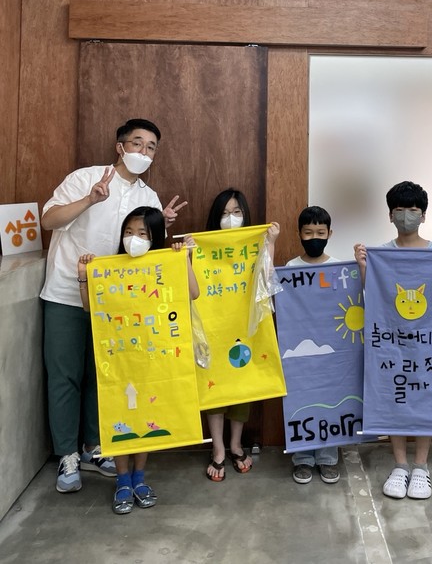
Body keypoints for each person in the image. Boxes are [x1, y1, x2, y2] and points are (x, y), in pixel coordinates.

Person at [41, 118, 187, 494]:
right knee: (64, 376)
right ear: (120, 146)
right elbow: (48, 219)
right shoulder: (84, 178)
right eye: (137, 143)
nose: (144, 152)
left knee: (104, 376)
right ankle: (67, 455)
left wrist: (163, 225)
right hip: (66, 293)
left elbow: (147, 253)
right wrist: (90, 199)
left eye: (151, 147)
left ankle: (94, 446)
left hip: (119, 306)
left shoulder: (149, 197)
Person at [77, 207, 199, 514]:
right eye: (129, 232)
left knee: (146, 417)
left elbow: (193, 292)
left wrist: (183, 259)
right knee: (121, 416)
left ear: (155, 237)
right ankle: (122, 481)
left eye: (142, 233)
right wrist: (83, 276)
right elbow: (90, 308)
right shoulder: (110, 268)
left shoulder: (164, 262)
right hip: (119, 363)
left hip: (153, 361)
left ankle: (139, 478)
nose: (134, 238)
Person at [354, 181, 432, 501]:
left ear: (423, 215)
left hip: (428, 343)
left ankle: (421, 466)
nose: (406, 216)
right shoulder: (381, 253)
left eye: (413, 210)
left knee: (425, 395)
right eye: (400, 210)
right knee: (396, 394)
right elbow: (373, 296)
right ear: (390, 215)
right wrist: (363, 267)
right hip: (392, 343)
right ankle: (400, 465)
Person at [204, 188, 280, 481]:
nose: (231, 218)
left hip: (245, 326)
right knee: (214, 386)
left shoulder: (253, 243)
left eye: (236, 212)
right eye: (225, 213)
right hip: (214, 326)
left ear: (245, 216)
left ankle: (235, 444)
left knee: (242, 384)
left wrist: (270, 243)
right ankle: (218, 448)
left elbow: (267, 278)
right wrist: (187, 254)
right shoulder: (203, 246)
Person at [285, 205, 342, 484]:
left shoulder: (340, 268)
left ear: (330, 233)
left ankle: (328, 457)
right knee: (302, 398)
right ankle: (303, 458)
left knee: (332, 398)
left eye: (320, 232)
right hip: (299, 349)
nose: (314, 238)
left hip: (332, 350)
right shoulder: (291, 268)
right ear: (299, 234)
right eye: (308, 233)